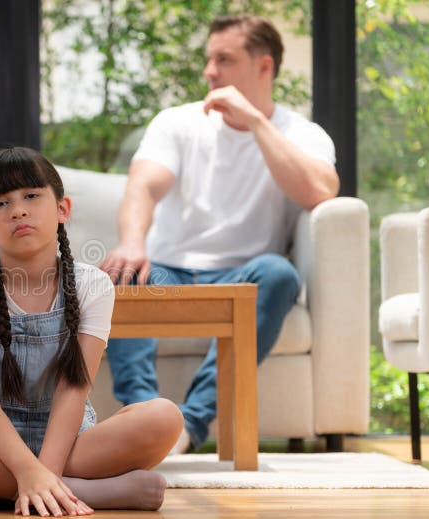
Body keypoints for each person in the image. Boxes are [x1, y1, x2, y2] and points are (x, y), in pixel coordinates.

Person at [0, 147, 183, 516]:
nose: (18, 210)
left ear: (62, 210)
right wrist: (28, 471)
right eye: (0, 204)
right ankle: (87, 492)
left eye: (31, 196)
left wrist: (44, 471)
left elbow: (74, 391)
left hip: (70, 442)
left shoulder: (93, 285)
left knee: (163, 416)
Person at [99, 14, 340, 454]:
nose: (210, 71)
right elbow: (144, 185)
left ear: (264, 67)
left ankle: (189, 426)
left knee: (281, 274)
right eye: (209, 59)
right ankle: (145, 419)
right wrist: (132, 242)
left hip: (243, 278)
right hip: (166, 272)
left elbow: (319, 192)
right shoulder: (177, 122)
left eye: (223, 59)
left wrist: (256, 123)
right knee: (118, 275)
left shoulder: (302, 134)